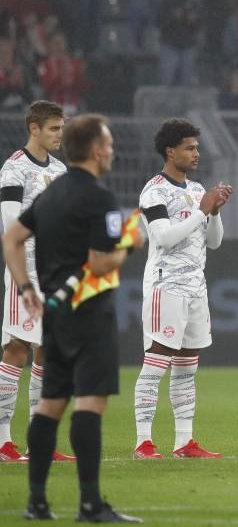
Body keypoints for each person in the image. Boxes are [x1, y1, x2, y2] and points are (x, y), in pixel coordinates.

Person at [2, 114, 145, 522]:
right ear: (98, 151)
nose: (113, 151)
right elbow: (102, 263)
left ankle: (36, 502)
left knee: (50, 406)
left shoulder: (52, 192)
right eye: (111, 144)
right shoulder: (101, 199)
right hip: (90, 314)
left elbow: (11, 239)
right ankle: (89, 504)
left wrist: (27, 288)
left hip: (55, 315)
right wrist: (131, 243)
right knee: (89, 406)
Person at [132, 118, 232, 460]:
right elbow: (162, 237)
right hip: (166, 286)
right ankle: (143, 441)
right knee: (157, 360)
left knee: (188, 365)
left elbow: (215, 243)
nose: (196, 153)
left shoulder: (196, 191)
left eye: (197, 147)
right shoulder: (154, 190)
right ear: (170, 151)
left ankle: (184, 442)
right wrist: (201, 211)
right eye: (189, 148)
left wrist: (214, 213)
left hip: (195, 288)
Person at [0, 102, 70, 463]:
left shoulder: (59, 170)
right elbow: (12, 225)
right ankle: (2, 440)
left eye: (61, 127)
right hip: (24, 271)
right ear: (34, 128)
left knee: (47, 354)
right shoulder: (14, 169)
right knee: (17, 349)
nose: (60, 134)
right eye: (54, 128)